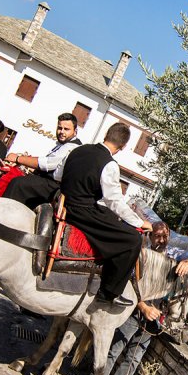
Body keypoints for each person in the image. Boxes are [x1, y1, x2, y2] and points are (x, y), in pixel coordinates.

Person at [78, 221, 188, 375]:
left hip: (156, 315)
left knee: (134, 358)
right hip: (134, 309)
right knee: (114, 350)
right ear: (150, 237)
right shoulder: (141, 254)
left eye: (164, 236)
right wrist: (143, 307)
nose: (161, 240)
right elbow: (128, 282)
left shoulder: (173, 254)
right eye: (157, 236)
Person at [55, 122, 153, 306]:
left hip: (62, 202)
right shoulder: (109, 164)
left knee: (111, 219)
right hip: (82, 210)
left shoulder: (77, 150)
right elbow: (114, 201)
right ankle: (109, 292)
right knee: (132, 239)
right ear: (123, 146)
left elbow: (58, 176)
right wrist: (139, 223)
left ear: (106, 134)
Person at [1, 113, 81, 209]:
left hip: (53, 186)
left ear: (75, 131)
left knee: (18, 183)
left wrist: (18, 158)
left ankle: (4, 213)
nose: (61, 131)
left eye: (66, 129)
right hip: (47, 182)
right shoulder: (63, 144)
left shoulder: (71, 146)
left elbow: (47, 164)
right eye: (59, 128)